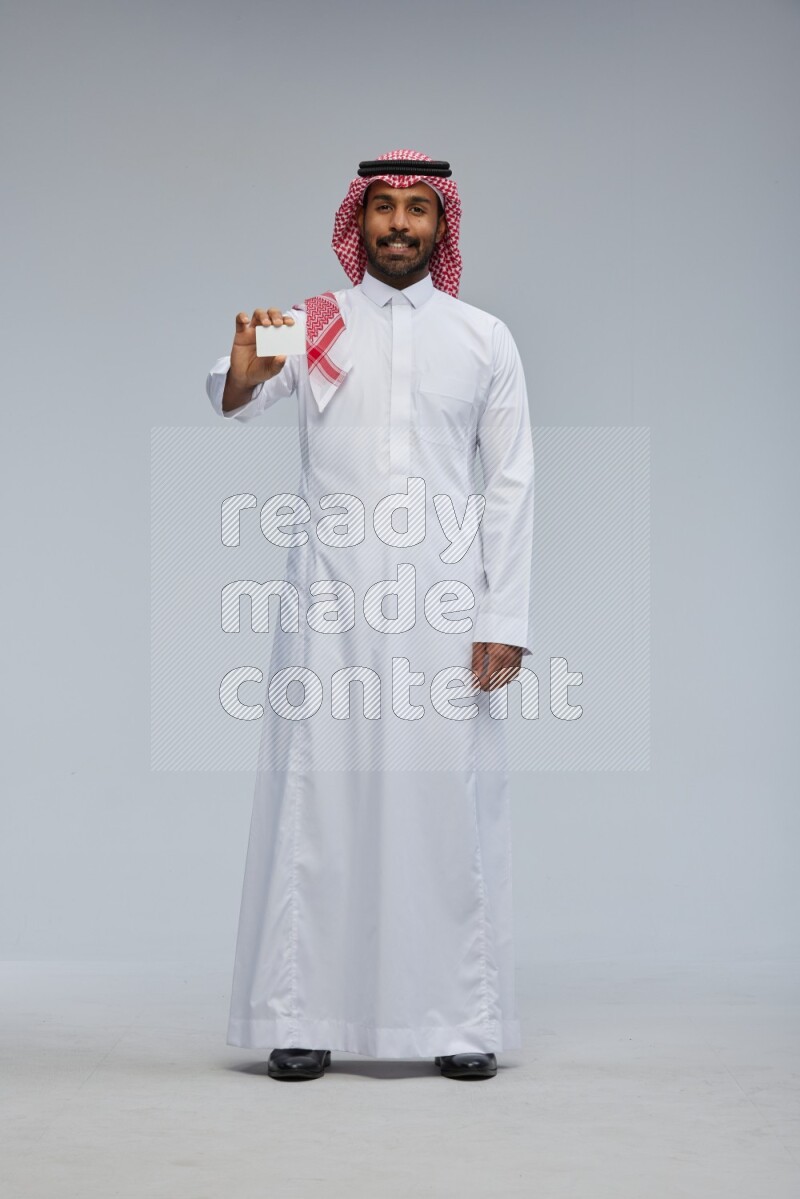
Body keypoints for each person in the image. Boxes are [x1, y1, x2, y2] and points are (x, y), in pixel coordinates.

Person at [206, 149, 535, 1081]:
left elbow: (510, 485)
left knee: (446, 805)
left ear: (442, 226)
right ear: (360, 220)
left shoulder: (484, 338)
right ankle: (303, 1012)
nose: (398, 225)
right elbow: (234, 397)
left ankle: (461, 1019)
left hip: (444, 609)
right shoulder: (312, 322)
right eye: (383, 209)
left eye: (416, 211)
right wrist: (238, 370)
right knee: (321, 803)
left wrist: (502, 614)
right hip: (331, 607)